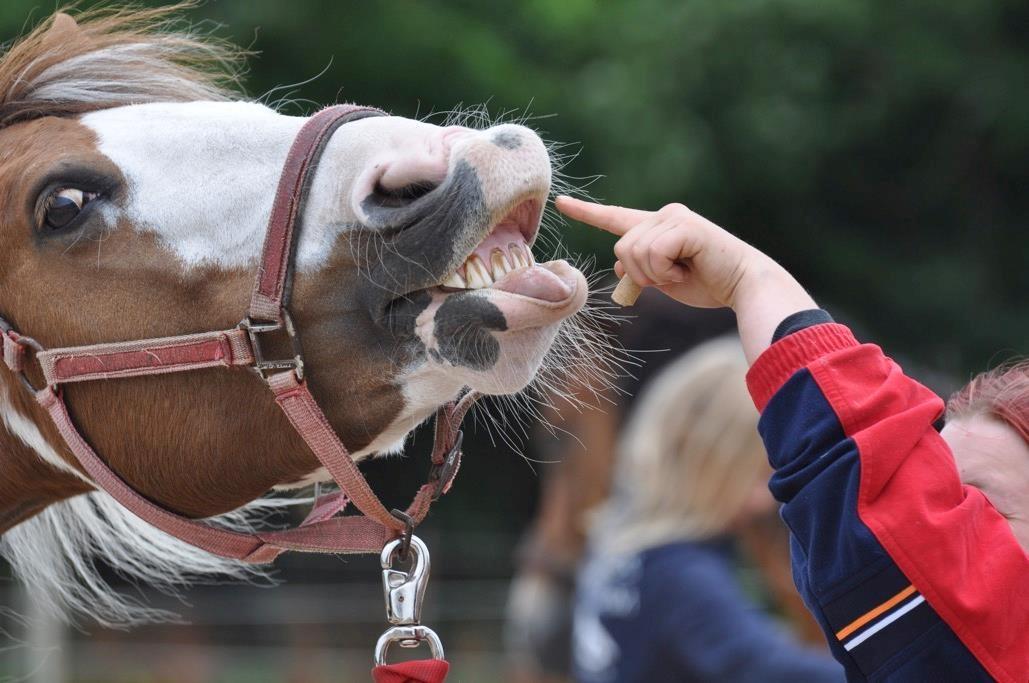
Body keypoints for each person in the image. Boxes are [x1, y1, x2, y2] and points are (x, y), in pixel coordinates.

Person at [556, 196, 1028, 682]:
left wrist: (750, 279)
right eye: (949, 497)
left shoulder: (624, 553)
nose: (773, 498)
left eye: (981, 508)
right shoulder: (683, 577)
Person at [572, 335, 844, 682]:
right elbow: (767, 668)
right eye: (756, 473)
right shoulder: (682, 578)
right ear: (704, 460)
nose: (765, 500)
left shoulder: (620, 551)